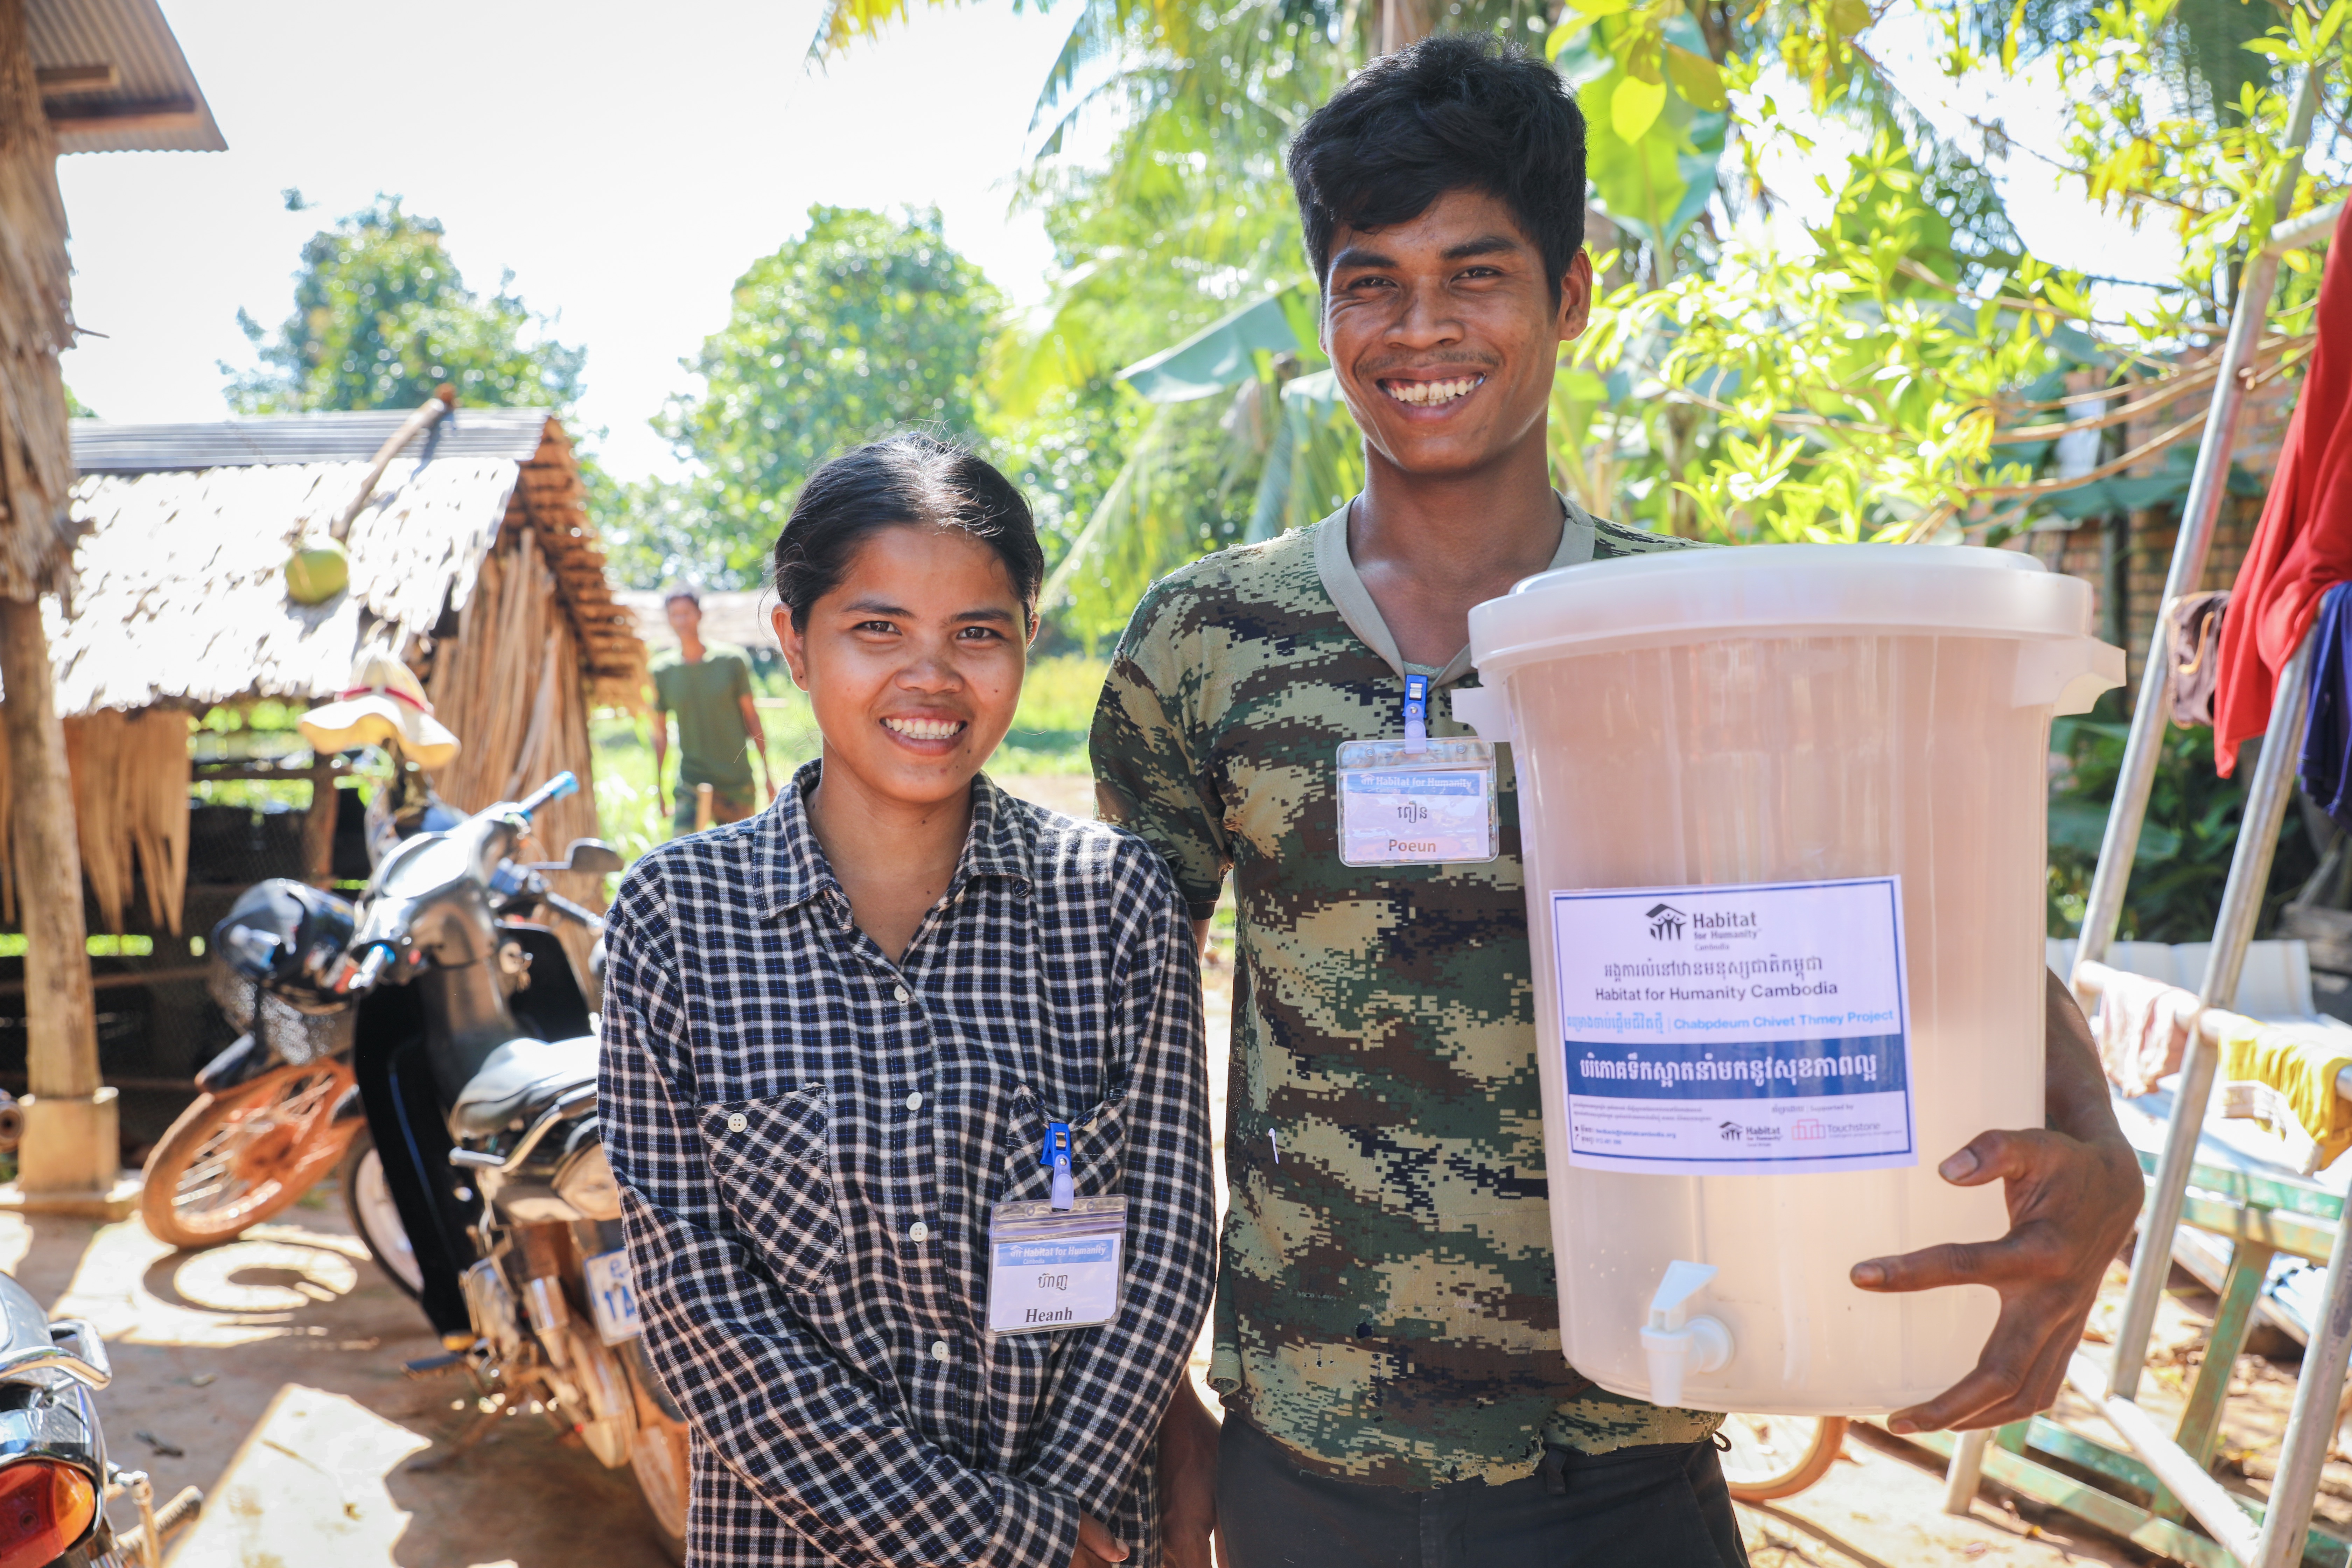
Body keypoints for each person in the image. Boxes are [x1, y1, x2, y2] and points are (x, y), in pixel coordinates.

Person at [1091, 36, 2144, 1568]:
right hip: (1306, 1452)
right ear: (1321, 311)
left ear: (1567, 298)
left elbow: (1908, 908)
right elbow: (1108, 1025)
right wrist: (1143, 1393)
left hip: (1632, 1432)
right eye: (1366, 280)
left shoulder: (1694, 628)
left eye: (1475, 273)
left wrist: (2088, 1131)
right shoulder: (1208, 637)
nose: (1419, 327)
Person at [601, 434, 1219, 1568]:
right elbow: (701, 1321)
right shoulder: (677, 922)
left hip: (1092, 1533)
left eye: (976, 634)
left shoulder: (1111, 901)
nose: (931, 679)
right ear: (792, 642)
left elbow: (1170, 1251)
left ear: (1028, 639)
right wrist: (1008, 1545)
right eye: (876, 629)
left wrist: (1062, 1514)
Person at [650, 584, 775, 834]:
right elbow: (660, 735)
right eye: (675, 614)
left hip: (735, 783)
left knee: (739, 867)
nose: (681, 620)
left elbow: (752, 719)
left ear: (700, 614)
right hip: (691, 782)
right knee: (680, 861)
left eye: (687, 613)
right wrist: (660, 787)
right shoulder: (662, 672)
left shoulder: (732, 661)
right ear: (668, 620)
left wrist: (768, 776)